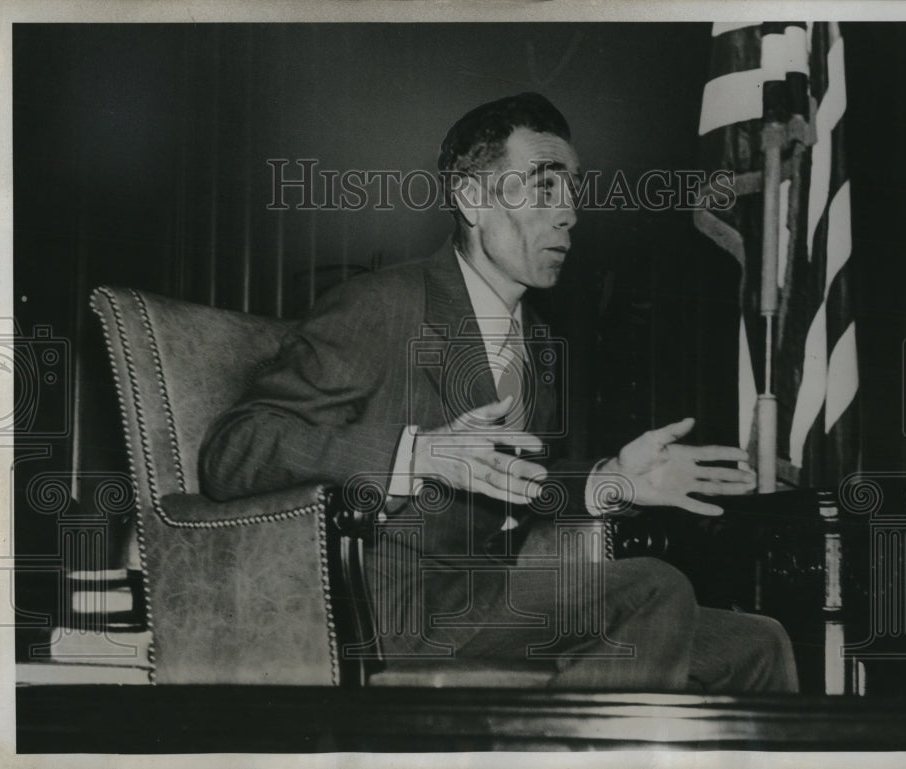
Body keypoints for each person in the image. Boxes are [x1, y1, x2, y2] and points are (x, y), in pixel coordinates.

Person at [200, 92, 798, 693]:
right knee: (651, 587)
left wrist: (613, 479)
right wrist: (417, 455)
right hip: (391, 604)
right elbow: (233, 451)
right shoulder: (383, 305)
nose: (568, 215)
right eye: (543, 189)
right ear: (471, 199)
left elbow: (510, 479)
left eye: (571, 192)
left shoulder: (536, 338)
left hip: (487, 598)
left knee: (758, 642)